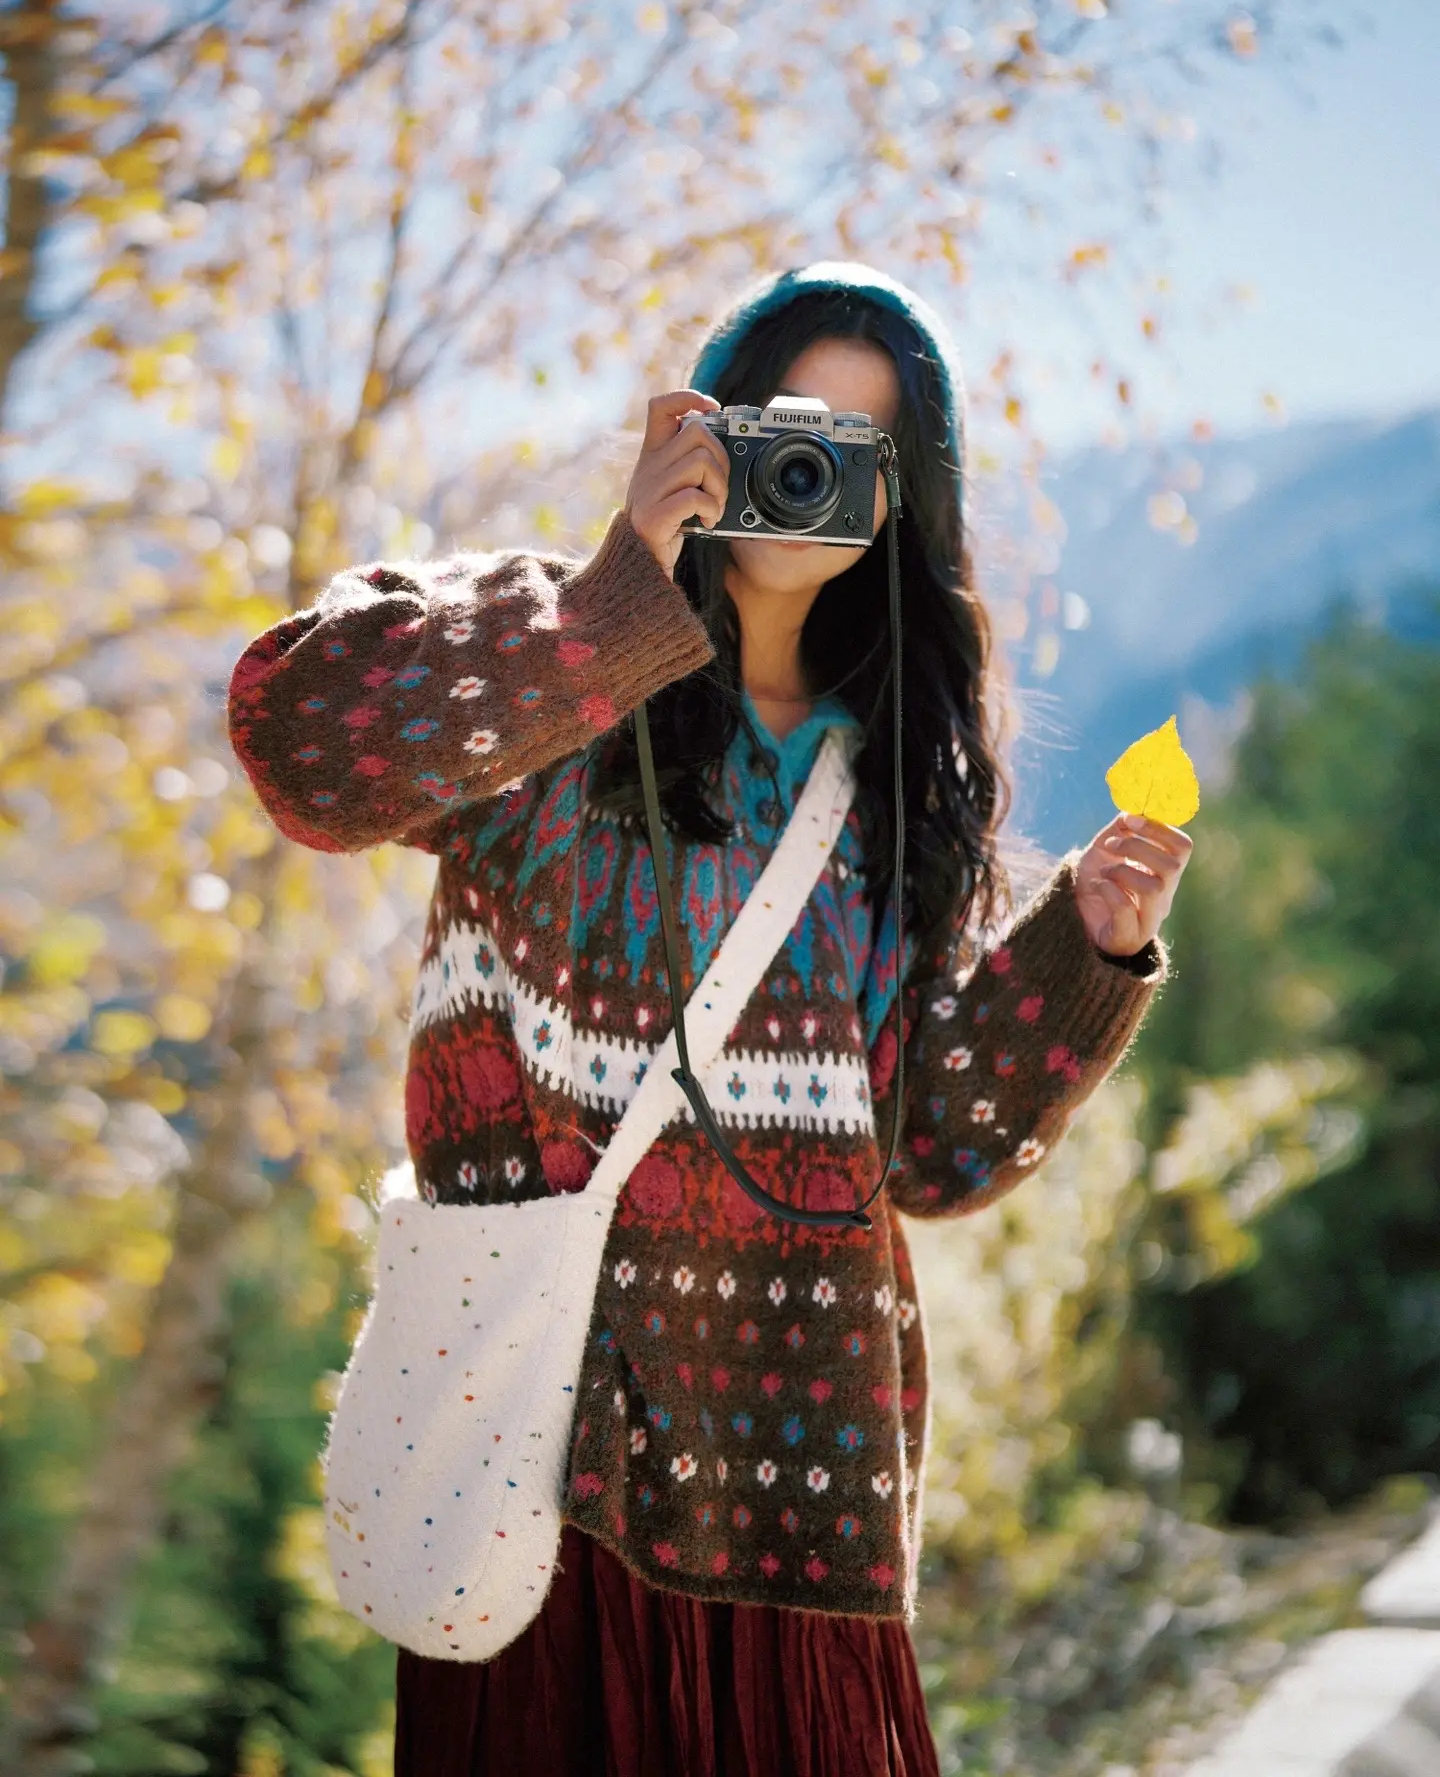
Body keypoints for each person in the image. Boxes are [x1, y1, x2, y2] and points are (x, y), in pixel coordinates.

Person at [227, 263, 1190, 1776]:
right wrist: (616, 589)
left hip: (789, 1479)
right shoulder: (549, 661)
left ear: (899, 503)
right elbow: (305, 754)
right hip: (532, 1445)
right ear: (707, 426)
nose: (806, 475)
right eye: (782, 427)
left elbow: (928, 1157)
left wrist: (1079, 954)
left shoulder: (900, 791)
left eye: (853, 451)